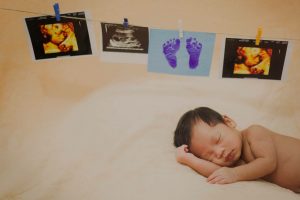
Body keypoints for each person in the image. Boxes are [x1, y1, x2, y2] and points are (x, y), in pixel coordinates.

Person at [174, 107, 300, 193]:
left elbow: (269, 162)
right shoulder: (238, 163)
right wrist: (188, 159)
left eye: (218, 139)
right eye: (209, 156)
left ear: (228, 122)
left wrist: (235, 174)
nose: (219, 152)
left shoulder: (254, 133)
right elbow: (218, 174)